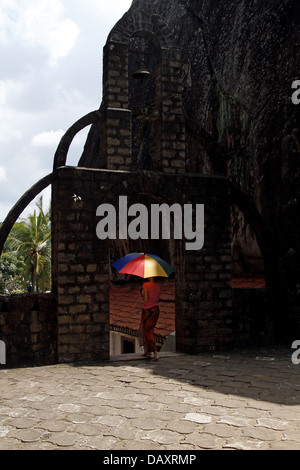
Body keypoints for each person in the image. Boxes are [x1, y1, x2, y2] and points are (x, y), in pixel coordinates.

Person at [139, 277, 161, 360]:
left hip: (148, 311)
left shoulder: (146, 285)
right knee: (148, 329)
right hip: (155, 309)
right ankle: (148, 350)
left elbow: (145, 300)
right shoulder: (158, 285)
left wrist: (142, 293)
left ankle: (155, 353)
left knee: (148, 331)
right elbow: (157, 298)